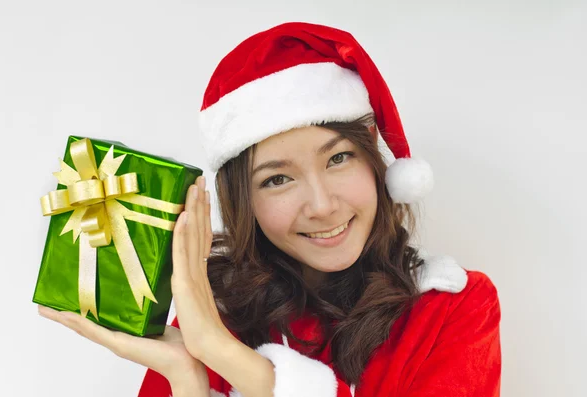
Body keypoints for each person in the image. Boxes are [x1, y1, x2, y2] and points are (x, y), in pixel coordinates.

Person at [38, 22, 501, 397]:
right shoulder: (213, 315)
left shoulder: (453, 308)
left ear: (376, 165)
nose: (321, 206)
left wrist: (224, 355)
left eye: (338, 158)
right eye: (277, 179)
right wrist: (187, 377)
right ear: (246, 204)